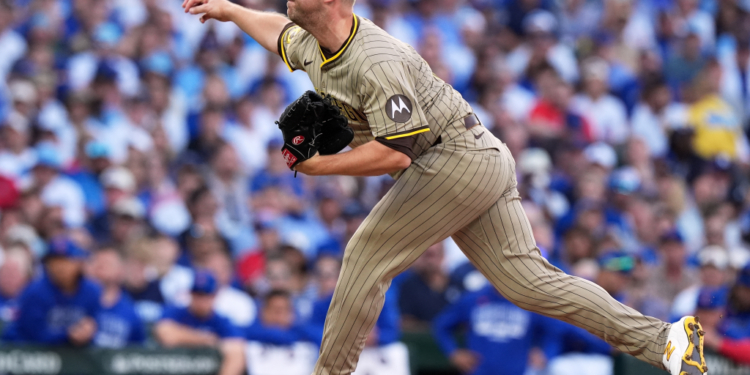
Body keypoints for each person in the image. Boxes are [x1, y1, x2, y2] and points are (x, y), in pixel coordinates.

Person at [182, 1, 708, 374]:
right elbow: (277, 32)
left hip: (450, 158)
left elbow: (396, 151)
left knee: (365, 253)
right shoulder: (316, 42)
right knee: (529, 283)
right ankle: (669, 341)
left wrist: (323, 167)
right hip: (478, 157)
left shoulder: (375, 59)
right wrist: (230, 10)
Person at [432, 284, 555, 375]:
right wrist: (453, 353)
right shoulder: (472, 299)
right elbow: (441, 326)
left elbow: (553, 332)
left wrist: (545, 353)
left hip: (518, 371)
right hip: (479, 371)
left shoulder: (529, 302)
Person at [3, 237, 100, 345]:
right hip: (30, 356)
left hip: (75, 356)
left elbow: (96, 325)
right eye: (54, 261)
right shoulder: (34, 292)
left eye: (66, 261)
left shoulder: (92, 291)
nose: (60, 267)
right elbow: (33, 334)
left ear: (79, 263)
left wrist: (89, 332)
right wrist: (68, 335)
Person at [153, 270, 245, 375]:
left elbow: (237, 350)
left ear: (214, 296)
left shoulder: (221, 321)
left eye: (206, 295)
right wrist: (206, 339)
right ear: (190, 294)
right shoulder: (176, 312)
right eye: (198, 295)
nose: (201, 300)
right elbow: (165, 334)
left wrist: (183, 336)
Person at [88, 247, 146, 348]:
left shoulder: (131, 312)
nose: (99, 267)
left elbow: (137, 352)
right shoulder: (77, 302)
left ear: (121, 270)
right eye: (96, 262)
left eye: (107, 263)